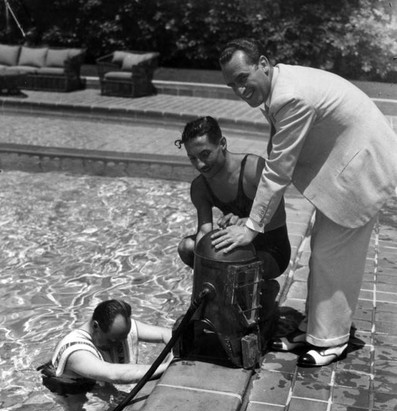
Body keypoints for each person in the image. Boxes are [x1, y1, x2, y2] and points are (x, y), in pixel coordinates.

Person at [212, 37, 397, 367]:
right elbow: (275, 155)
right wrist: (250, 214)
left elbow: (279, 169)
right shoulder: (281, 84)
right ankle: (315, 328)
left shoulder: (290, 96)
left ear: (264, 64)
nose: (239, 90)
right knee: (323, 250)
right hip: (353, 164)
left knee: (333, 255)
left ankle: (331, 341)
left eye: (243, 78)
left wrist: (251, 228)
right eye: (231, 85)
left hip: (363, 171)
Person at [175, 115, 291, 280]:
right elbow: (204, 231)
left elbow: (279, 218)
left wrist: (246, 223)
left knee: (232, 265)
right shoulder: (200, 187)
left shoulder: (252, 170)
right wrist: (202, 265)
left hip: (271, 251)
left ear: (222, 144)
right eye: (193, 158)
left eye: (205, 154)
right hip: (236, 247)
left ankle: (261, 288)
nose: (200, 164)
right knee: (187, 248)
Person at [38, 299, 173, 388]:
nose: (120, 343)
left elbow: (167, 334)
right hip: (73, 394)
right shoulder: (76, 351)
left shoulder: (120, 330)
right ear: (96, 326)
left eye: (124, 337)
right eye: (113, 340)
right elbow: (114, 374)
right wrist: (168, 367)